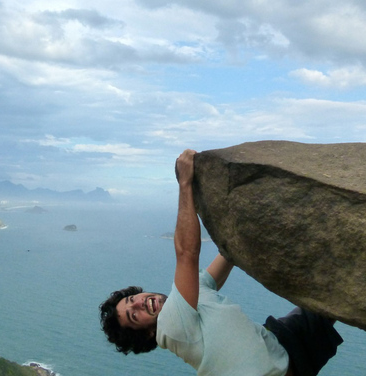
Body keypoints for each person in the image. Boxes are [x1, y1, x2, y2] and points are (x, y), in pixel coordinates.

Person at [99, 149, 343, 376]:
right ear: (148, 334)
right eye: (134, 315)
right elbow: (187, 253)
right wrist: (185, 185)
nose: (140, 304)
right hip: (287, 367)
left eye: (133, 300)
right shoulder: (170, 328)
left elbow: (227, 256)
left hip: (277, 340)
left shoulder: (186, 298)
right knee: (335, 293)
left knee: (332, 294)